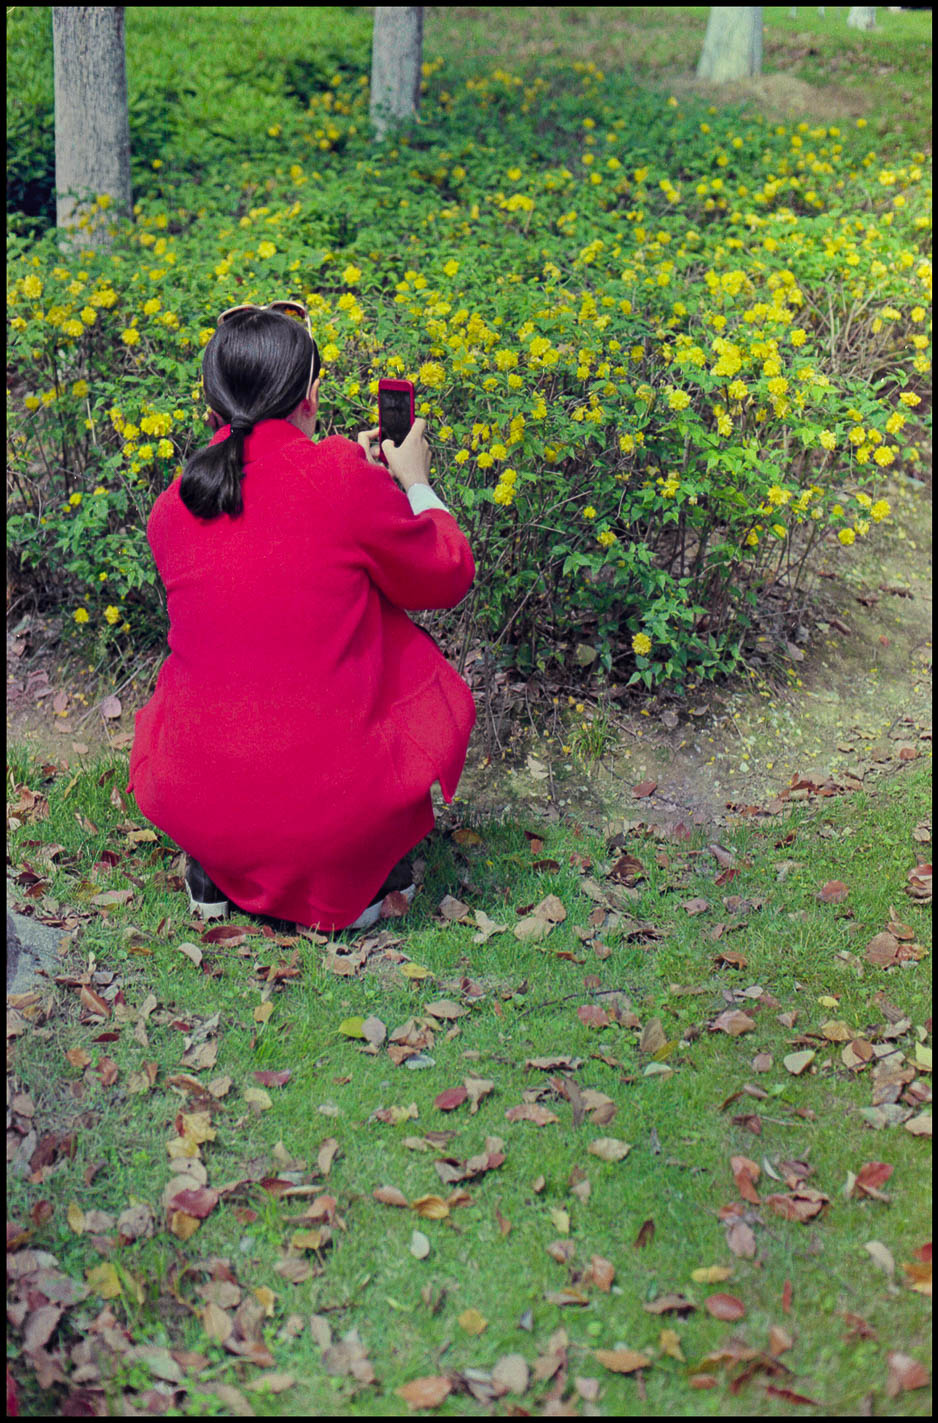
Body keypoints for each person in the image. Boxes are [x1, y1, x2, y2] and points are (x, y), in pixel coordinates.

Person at [127, 301, 476, 932]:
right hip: (332, 814)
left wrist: (354, 477)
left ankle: (216, 866)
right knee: (380, 622)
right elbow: (446, 574)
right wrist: (413, 483)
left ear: (209, 408)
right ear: (311, 396)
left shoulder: (172, 507)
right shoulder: (340, 477)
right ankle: (357, 866)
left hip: (197, 796)